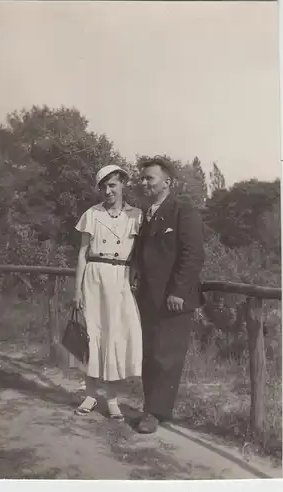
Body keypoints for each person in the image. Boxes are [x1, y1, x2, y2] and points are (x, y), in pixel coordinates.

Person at [133, 157, 204, 433]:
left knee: (166, 355)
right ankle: (151, 408)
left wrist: (178, 291)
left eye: (149, 178)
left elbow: (193, 255)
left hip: (174, 298)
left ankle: (155, 413)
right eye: (142, 178)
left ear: (167, 183)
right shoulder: (146, 213)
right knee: (149, 354)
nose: (144, 183)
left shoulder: (183, 211)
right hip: (149, 297)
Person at [73, 164, 143, 421]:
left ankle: (112, 399)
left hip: (119, 277)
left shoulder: (136, 216)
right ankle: (91, 394)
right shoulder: (92, 214)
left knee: (114, 335)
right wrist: (77, 290)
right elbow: (82, 253)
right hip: (94, 275)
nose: (108, 190)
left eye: (113, 184)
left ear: (123, 183)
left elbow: (139, 254)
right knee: (94, 334)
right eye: (103, 186)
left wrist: (135, 278)